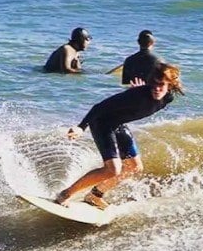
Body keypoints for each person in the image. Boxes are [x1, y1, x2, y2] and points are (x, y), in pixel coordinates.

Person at [55, 63, 184, 209]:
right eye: (153, 84)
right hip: (102, 123)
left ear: (170, 85)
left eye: (161, 84)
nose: (156, 88)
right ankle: (65, 194)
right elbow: (99, 107)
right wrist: (81, 127)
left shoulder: (168, 98)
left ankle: (94, 195)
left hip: (118, 124)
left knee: (135, 167)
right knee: (113, 169)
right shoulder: (137, 95)